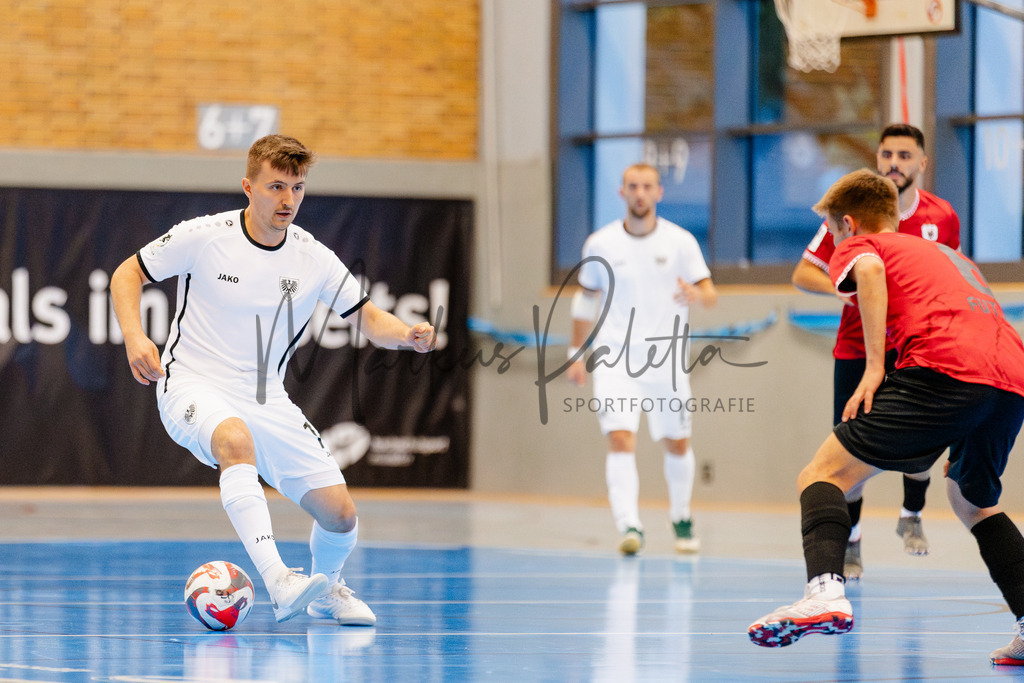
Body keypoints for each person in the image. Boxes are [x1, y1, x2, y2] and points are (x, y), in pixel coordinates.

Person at [110, 135, 436, 626]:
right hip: (192, 383)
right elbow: (126, 274)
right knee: (234, 440)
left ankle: (326, 589)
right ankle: (279, 579)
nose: (288, 200)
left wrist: (408, 335)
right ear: (249, 187)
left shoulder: (314, 258)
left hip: (265, 397)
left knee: (341, 515)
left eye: (297, 188)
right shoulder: (205, 236)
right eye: (276, 186)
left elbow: (369, 319)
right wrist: (135, 337)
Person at [748, 169, 1024, 666]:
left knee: (822, 474)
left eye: (835, 234)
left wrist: (875, 367)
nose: (836, 245)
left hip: (945, 368)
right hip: (1010, 379)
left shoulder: (863, 245)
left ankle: (825, 593)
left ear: (849, 224)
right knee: (972, 501)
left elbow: (870, 273)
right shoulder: (949, 255)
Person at [791, 123, 960, 579]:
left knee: (922, 441)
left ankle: (912, 513)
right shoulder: (853, 213)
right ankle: (851, 542)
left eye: (904, 155)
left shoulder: (941, 216)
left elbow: (949, 271)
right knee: (848, 444)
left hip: (914, 347)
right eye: (886, 154)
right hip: (857, 347)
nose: (894, 163)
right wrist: (848, 293)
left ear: (922, 163)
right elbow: (805, 273)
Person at [566, 162, 717, 555]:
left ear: (659, 192)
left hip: (667, 363)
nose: (640, 193)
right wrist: (575, 353)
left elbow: (710, 293)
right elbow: (585, 299)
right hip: (615, 360)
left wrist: (697, 295)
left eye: (647, 186)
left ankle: (681, 516)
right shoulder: (600, 244)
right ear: (622, 193)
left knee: (677, 443)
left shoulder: (681, 242)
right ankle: (629, 525)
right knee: (620, 437)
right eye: (632, 186)